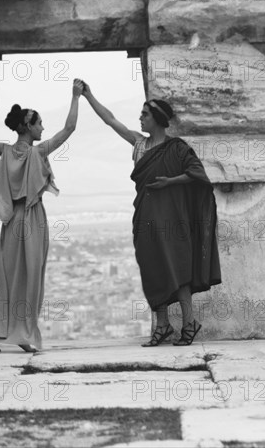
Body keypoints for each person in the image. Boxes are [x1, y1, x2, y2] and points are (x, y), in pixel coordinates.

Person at [82, 83, 221, 346]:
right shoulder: (138, 143)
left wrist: (169, 182)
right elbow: (110, 120)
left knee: (178, 269)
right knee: (152, 269)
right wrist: (89, 95)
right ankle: (163, 326)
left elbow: (197, 174)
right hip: (145, 217)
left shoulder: (177, 148)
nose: (140, 118)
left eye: (144, 115)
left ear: (157, 119)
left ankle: (189, 323)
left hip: (172, 218)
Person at [0, 79, 84, 352]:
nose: (43, 128)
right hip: (32, 219)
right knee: (30, 278)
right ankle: (22, 333)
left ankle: (1, 333)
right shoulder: (39, 151)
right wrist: (75, 97)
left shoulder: (5, 150)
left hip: (11, 221)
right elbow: (69, 128)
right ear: (28, 126)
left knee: (9, 277)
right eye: (39, 124)